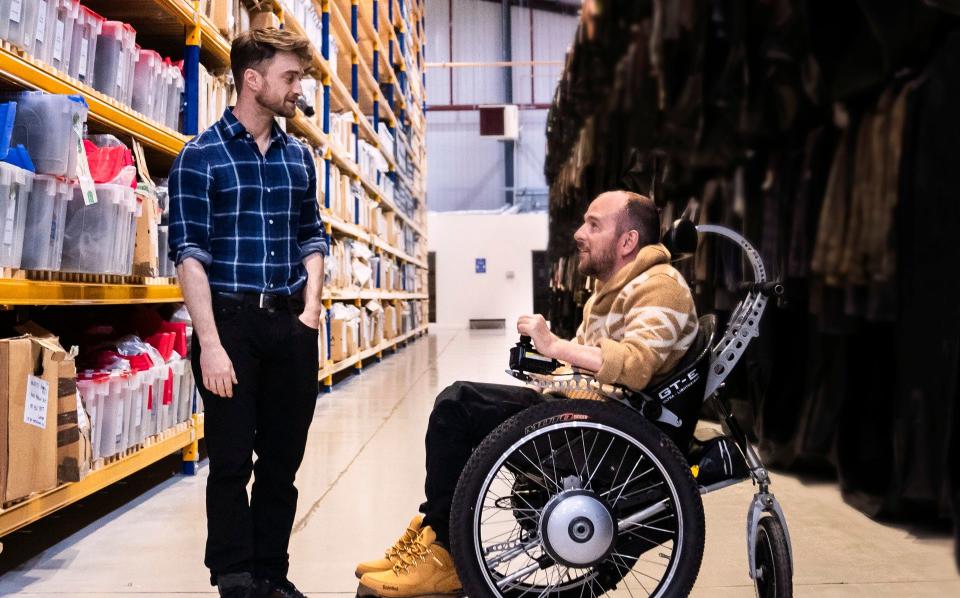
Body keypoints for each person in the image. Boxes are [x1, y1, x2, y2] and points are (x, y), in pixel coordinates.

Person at [356, 191, 700, 596]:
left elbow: (637, 364)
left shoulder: (660, 287)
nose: (579, 233)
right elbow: (594, 362)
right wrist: (548, 367)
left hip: (604, 437)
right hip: (587, 416)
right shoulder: (615, 287)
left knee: (457, 406)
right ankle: (433, 534)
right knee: (460, 403)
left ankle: (443, 553)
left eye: (593, 224)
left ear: (627, 241)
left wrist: (556, 346)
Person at [168, 27, 326, 598]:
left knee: (282, 464)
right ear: (252, 80)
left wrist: (309, 311)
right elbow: (190, 256)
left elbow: (314, 236)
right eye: (290, 77)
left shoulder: (298, 158)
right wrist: (209, 343)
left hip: (290, 325)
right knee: (232, 461)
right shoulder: (200, 157)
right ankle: (234, 577)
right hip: (229, 325)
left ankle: (271, 575)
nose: (298, 88)